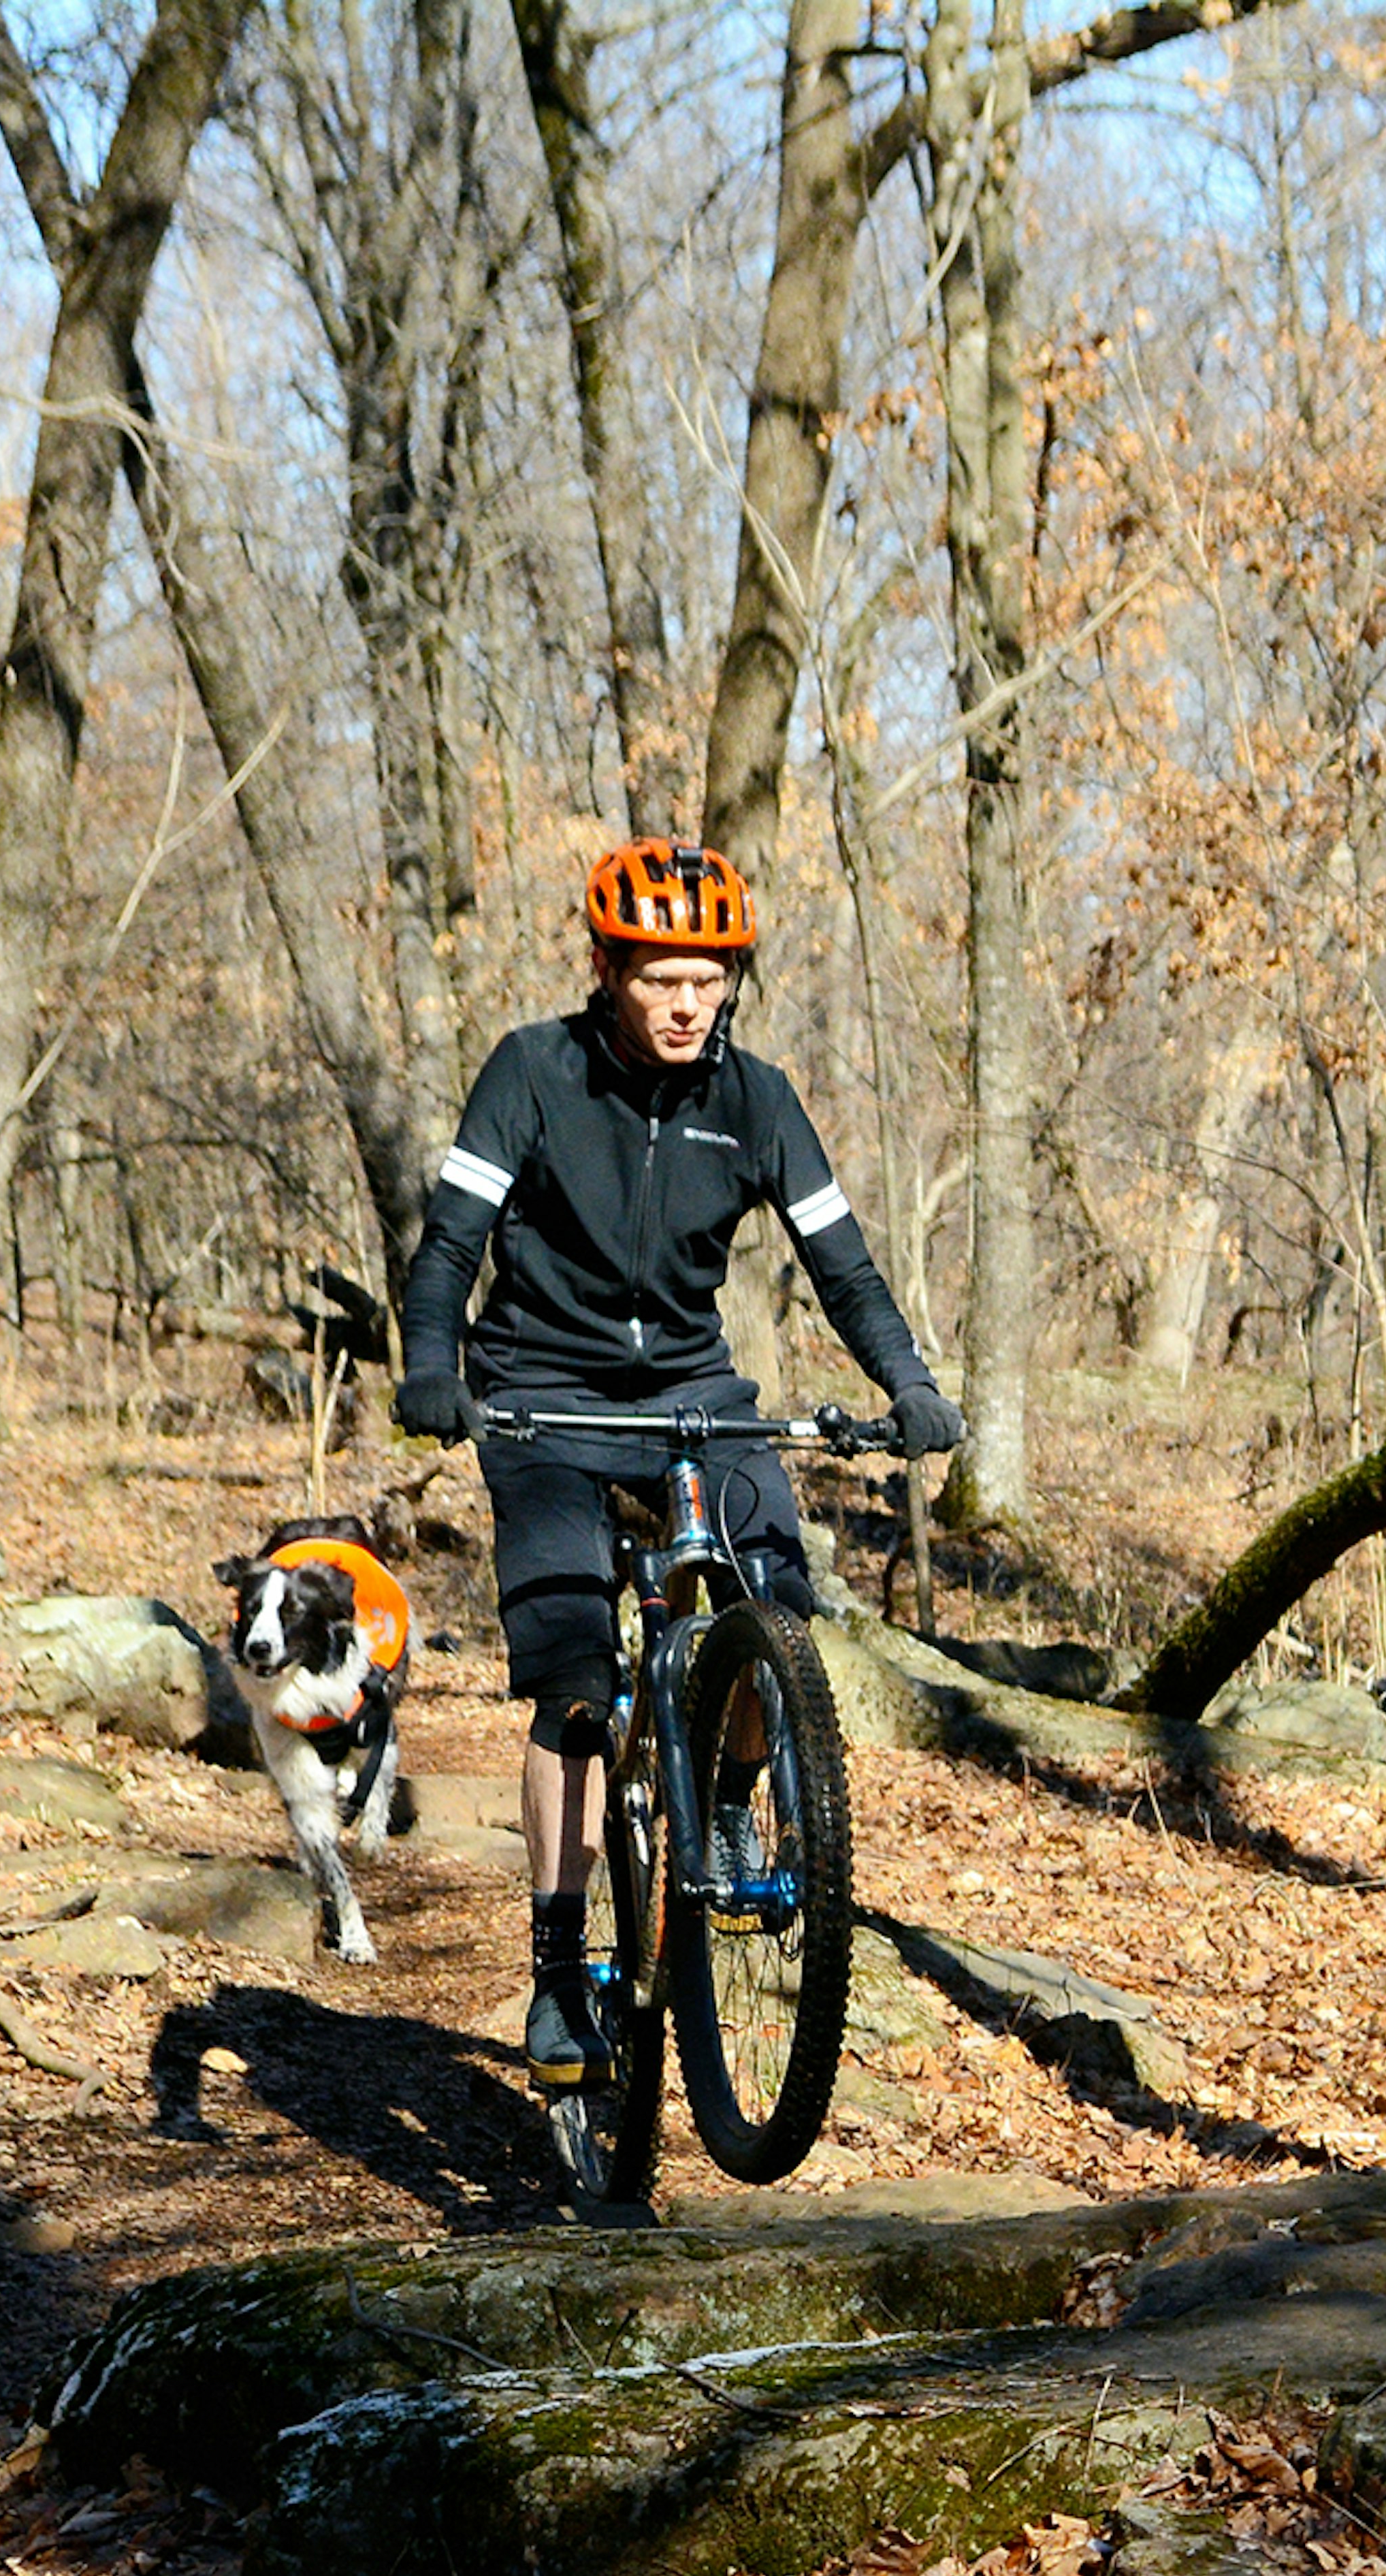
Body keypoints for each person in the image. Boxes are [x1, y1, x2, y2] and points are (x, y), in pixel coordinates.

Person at [393, 838, 961, 2088]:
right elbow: (448, 1247)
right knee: (576, 1681)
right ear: (606, 969)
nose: (687, 1003)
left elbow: (844, 1265)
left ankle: (725, 1795)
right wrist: (436, 1363)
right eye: (659, 978)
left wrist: (907, 1383)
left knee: (777, 1610)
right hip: (543, 1397)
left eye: (708, 978)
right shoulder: (532, 1073)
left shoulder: (755, 1099)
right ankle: (555, 1969)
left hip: (696, 1395)